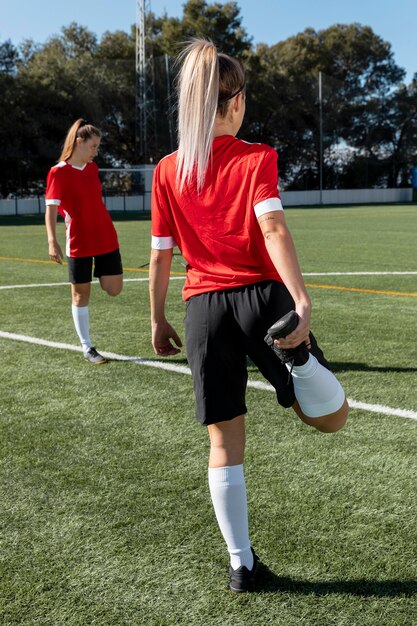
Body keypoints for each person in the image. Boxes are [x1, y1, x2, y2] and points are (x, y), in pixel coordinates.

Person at [149, 40, 349, 593]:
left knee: (223, 442)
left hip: (202, 311)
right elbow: (273, 228)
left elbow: (162, 253)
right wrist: (301, 301)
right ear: (233, 103)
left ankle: (242, 565)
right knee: (329, 418)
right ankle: (302, 363)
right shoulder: (256, 156)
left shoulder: (166, 170)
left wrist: (158, 319)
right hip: (262, 298)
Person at [45, 119, 123, 364]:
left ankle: (100, 274)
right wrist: (52, 241)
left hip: (106, 237)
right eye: (94, 146)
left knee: (114, 289)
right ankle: (87, 347)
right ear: (79, 141)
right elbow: (50, 209)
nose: (96, 151)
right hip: (78, 242)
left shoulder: (93, 169)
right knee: (80, 296)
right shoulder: (58, 172)